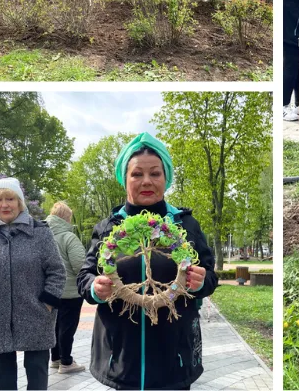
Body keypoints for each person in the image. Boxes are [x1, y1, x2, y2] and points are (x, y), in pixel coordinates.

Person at [77, 133, 218, 390]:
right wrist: (94, 288)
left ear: (166, 179)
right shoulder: (109, 228)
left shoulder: (185, 225)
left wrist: (201, 281)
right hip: (120, 357)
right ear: (124, 178)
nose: (146, 181)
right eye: (136, 174)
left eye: (155, 173)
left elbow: (210, 276)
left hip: (173, 356)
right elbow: (84, 276)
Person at [0, 177, 65, 390]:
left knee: (37, 377)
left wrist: (47, 303)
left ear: (19, 202)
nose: (4, 205)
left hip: (36, 315)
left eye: (10, 198)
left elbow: (57, 271)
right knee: (4, 380)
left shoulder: (41, 233)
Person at [44, 202, 87, 374]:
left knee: (54, 326)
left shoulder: (42, 236)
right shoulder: (69, 237)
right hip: (70, 292)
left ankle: (55, 359)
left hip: (49, 291)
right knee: (67, 327)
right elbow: (80, 265)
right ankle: (67, 362)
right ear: (66, 218)